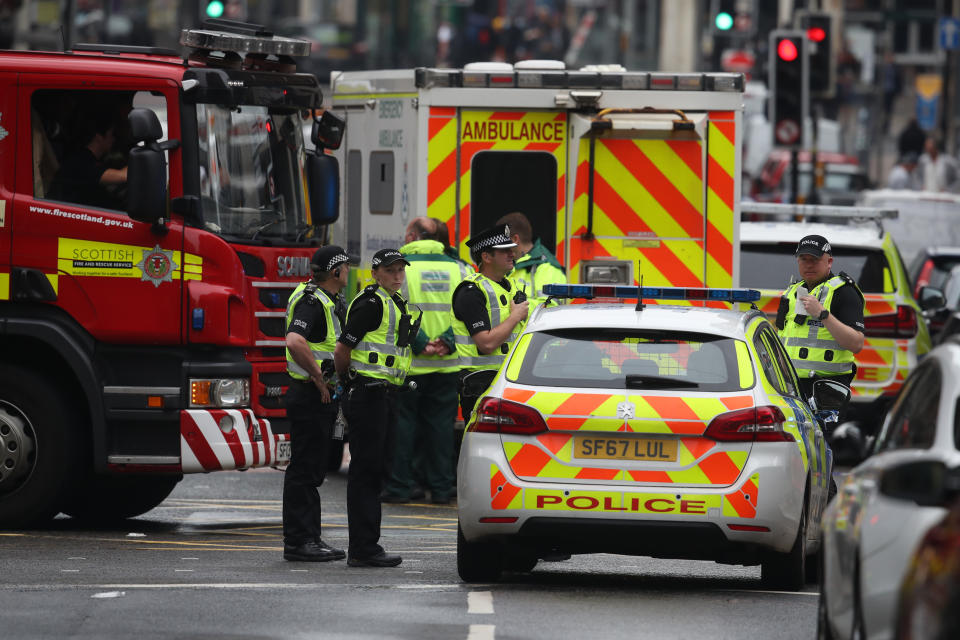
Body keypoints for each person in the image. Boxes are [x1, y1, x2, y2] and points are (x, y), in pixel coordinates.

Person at [334, 248, 414, 568]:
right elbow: (343, 349)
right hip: (367, 394)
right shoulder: (371, 302)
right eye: (391, 270)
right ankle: (363, 548)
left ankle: (368, 544)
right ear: (376, 272)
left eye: (401, 270)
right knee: (366, 472)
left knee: (379, 469)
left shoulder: (393, 303)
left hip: (385, 394)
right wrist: (347, 381)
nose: (397, 276)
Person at [383, 217, 468, 505]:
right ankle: (442, 489)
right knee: (441, 428)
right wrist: (446, 341)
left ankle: (400, 487)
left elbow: (395, 311)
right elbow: (467, 311)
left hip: (411, 363)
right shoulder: (459, 268)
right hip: (448, 362)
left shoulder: (400, 269)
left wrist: (420, 343)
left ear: (411, 236)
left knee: (405, 426)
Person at [281, 245, 351, 562]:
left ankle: (310, 538)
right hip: (310, 394)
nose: (349, 272)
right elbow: (295, 341)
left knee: (312, 470)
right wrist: (318, 378)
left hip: (313, 395)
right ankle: (299, 542)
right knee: (305, 471)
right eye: (346, 268)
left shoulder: (319, 297)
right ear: (335, 272)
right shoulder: (313, 302)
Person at [450, 224, 530, 419]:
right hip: (480, 383)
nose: (512, 254)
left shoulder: (510, 286)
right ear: (486, 257)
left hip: (508, 379)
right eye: (505, 251)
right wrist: (515, 317)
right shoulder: (470, 292)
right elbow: (486, 343)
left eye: (512, 249)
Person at [776, 235, 865, 399]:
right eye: (804, 259)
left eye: (815, 259)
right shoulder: (792, 292)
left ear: (829, 262)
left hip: (827, 389)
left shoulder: (843, 292)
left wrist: (823, 314)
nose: (809, 265)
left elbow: (856, 344)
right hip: (790, 387)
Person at [48, 105, 128, 210]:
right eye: (111, 134)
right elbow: (124, 176)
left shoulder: (85, 158)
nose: (113, 139)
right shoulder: (81, 163)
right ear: (99, 137)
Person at [496, 211, 567, 309]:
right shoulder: (509, 264)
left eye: (502, 241)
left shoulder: (548, 268)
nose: (499, 246)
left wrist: (516, 306)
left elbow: (550, 307)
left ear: (515, 239)